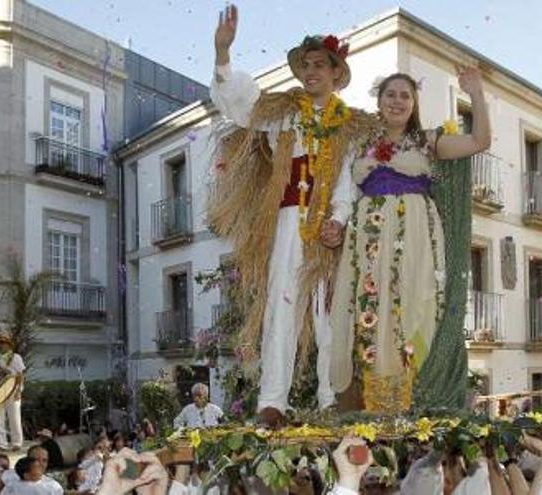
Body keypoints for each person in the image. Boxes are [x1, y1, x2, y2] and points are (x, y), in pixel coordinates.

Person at [208, 4, 375, 427]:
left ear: (337, 73)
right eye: (306, 65)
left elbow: (347, 184)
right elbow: (240, 105)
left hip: (327, 232)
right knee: (282, 307)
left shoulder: (351, 125)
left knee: (328, 314)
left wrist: (339, 219)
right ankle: (273, 402)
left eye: (321, 64)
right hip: (286, 222)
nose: (312, 71)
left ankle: (329, 398)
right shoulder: (282, 110)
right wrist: (223, 54)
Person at [329, 69, 490, 413]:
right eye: (391, 94)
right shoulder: (358, 144)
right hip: (369, 236)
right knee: (372, 306)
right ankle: (376, 397)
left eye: (405, 95)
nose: (397, 101)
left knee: (417, 303)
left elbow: (479, 142)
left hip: (415, 233)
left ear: (414, 103)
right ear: (379, 100)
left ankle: (416, 394)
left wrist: (476, 94)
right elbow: (342, 190)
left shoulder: (426, 141)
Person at [0, 334, 25, 452]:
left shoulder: (15, 357)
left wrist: (19, 390)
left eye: (3, 343)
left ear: (9, 344)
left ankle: (17, 443)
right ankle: (1, 443)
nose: (1, 345)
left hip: (13, 390)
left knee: (14, 417)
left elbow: (20, 375)